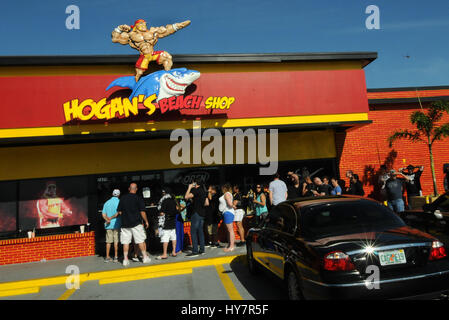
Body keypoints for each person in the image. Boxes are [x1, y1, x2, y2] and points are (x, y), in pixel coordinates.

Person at [111, 18, 191, 82]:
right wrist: (119, 28)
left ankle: (168, 76)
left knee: (167, 56)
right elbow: (115, 39)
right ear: (136, 26)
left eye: (145, 23)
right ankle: (136, 85)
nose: (144, 25)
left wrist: (180, 25)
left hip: (153, 54)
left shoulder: (152, 31)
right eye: (141, 23)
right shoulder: (130, 35)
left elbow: (168, 30)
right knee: (139, 74)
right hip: (144, 56)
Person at [117, 183, 151, 266]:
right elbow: (142, 211)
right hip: (136, 223)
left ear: (129, 189)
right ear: (136, 189)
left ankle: (125, 260)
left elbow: (119, 211)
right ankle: (145, 257)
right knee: (140, 241)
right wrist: (146, 221)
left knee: (126, 242)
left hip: (125, 224)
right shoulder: (138, 198)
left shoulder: (123, 198)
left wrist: (126, 216)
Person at [184, 181, 209, 257]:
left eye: (193, 183)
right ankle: (202, 250)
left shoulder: (196, 190)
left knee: (193, 232)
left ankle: (195, 251)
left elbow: (186, 197)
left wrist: (189, 187)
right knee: (200, 231)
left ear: (196, 184)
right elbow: (207, 203)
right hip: (202, 213)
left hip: (196, 213)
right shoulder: (203, 191)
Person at [157, 189, 178, 259]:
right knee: (173, 237)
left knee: (165, 238)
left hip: (166, 222)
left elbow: (162, 212)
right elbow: (176, 210)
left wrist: (159, 214)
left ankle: (165, 254)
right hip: (173, 221)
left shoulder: (164, 201)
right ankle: (174, 251)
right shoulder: (173, 201)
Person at [102, 189, 121, 263]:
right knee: (116, 241)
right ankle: (116, 257)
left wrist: (107, 219)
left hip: (108, 225)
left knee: (108, 241)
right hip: (116, 223)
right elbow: (118, 213)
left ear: (112, 194)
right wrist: (111, 218)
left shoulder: (106, 203)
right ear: (119, 195)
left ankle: (107, 257)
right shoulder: (119, 202)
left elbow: (103, 214)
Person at [219, 184, 236, 252]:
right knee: (229, 230)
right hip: (227, 212)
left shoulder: (226, 194)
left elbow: (229, 203)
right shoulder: (228, 194)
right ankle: (230, 245)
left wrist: (232, 206)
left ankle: (231, 246)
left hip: (228, 212)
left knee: (230, 230)